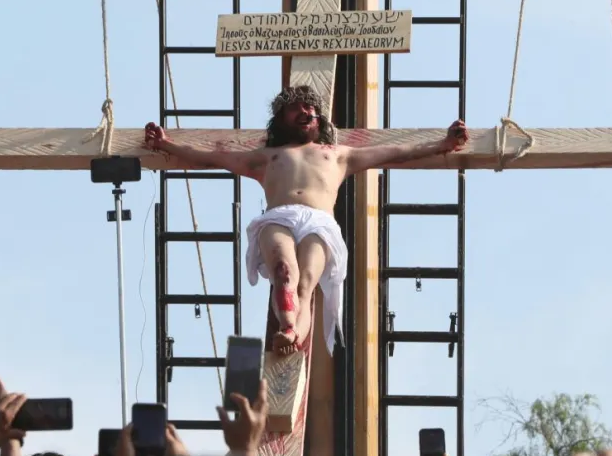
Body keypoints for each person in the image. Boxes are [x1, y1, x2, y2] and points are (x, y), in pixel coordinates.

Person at [144, 85, 469, 355]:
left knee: (306, 284)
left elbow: (398, 152)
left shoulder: (338, 154)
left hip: (318, 221)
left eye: (310, 108)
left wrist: (443, 144)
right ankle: (288, 327)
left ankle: (295, 334)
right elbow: (211, 157)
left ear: (319, 117)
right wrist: (165, 144)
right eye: (295, 108)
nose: (304, 112)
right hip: (279, 217)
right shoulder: (267, 157)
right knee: (283, 271)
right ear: (281, 119)